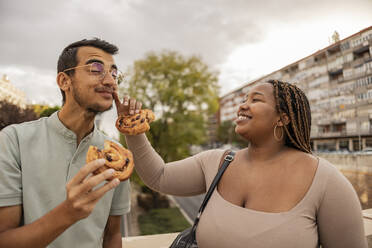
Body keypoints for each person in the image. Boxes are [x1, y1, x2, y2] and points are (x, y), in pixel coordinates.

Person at [115, 80, 367, 248]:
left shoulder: (326, 181)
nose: (243, 105)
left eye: (256, 100)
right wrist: (133, 128)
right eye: (244, 98)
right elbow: (158, 176)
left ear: (283, 118)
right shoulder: (216, 161)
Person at [0, 38, 131, 248]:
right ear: (64, 81)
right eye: (96, 69)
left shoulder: (116, 155)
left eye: (114, 74)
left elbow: (112, 236)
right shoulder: (13, 140)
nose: (110, 81)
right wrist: (67, 213)